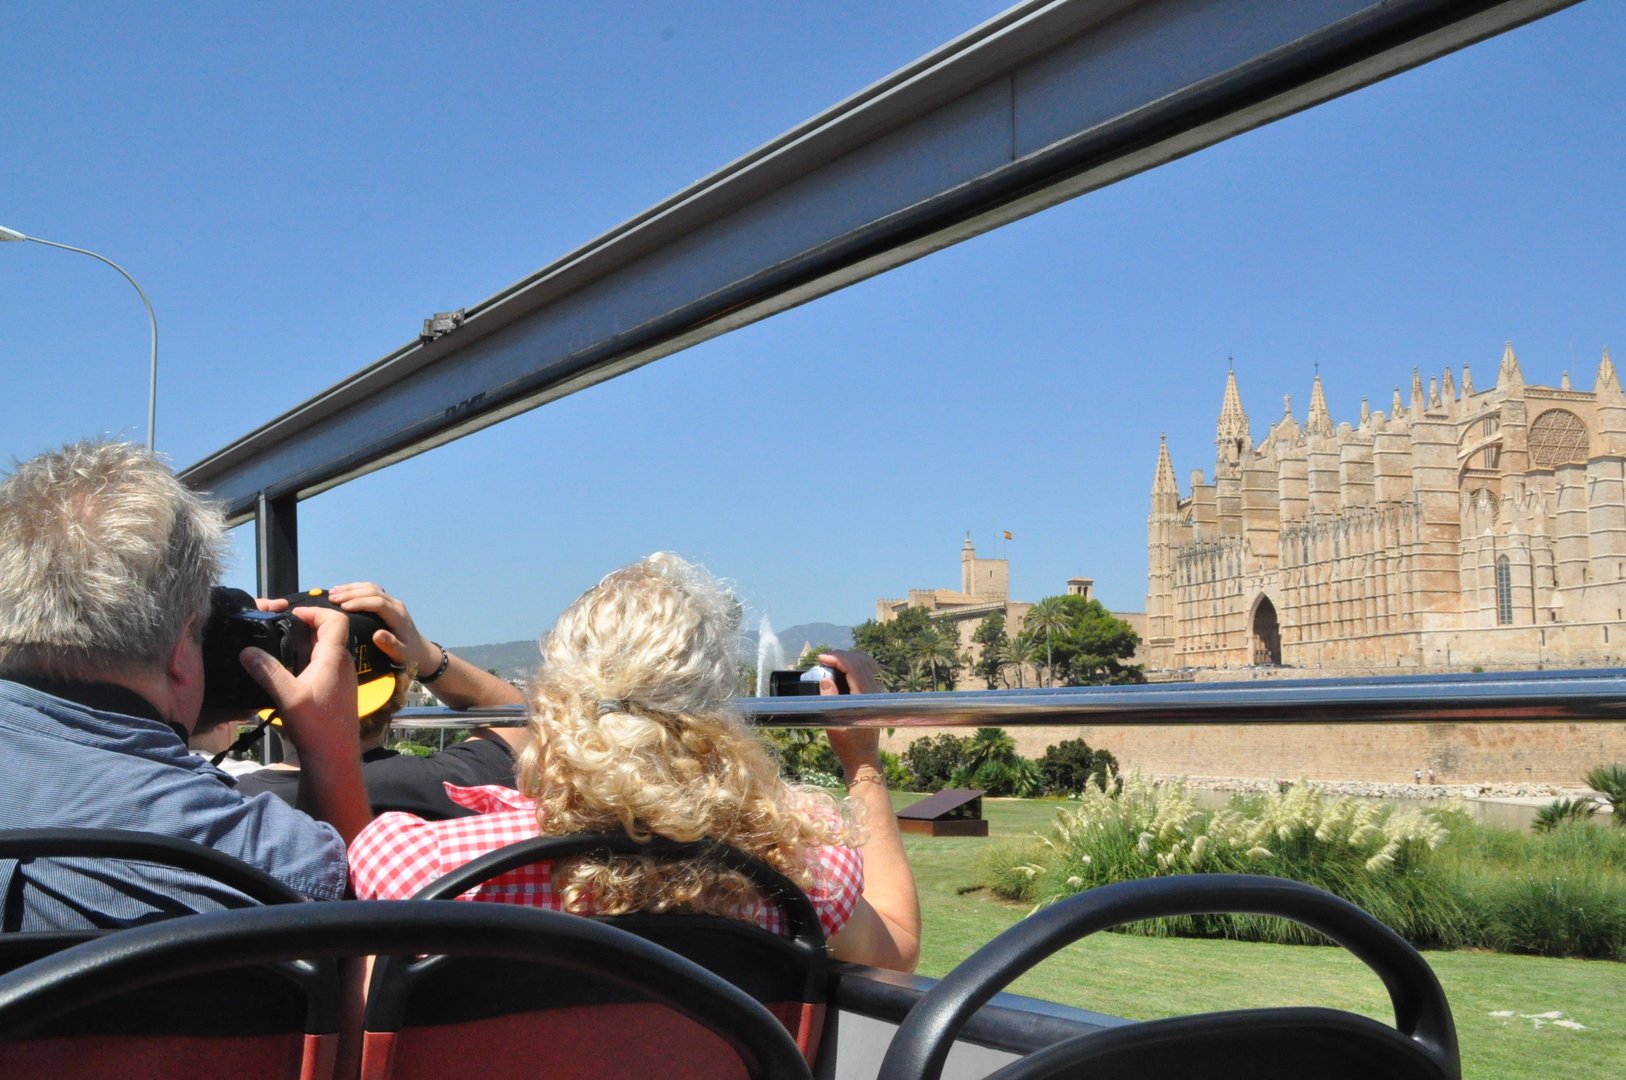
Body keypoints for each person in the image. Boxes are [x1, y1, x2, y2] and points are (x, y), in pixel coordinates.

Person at [350, 553, 922, 971]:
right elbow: (897, 947)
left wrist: (424, 661)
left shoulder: (414, 865)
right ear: (717, 709)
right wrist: (863, 763)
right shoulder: (804, 874)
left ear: (551, 699)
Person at [0, 440, 369, 929]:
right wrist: (331, 750)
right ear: (179, 652)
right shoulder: (266, 859)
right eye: (200, 635)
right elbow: (360, 947)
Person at [236, 583, 528, 818]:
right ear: (400, 689)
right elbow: (520, 719)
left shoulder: (235, 806)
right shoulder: (454, 784)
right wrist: (425, 656)